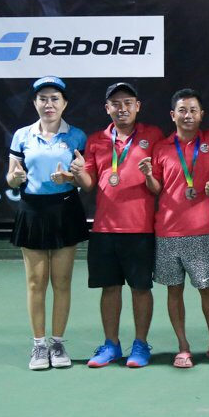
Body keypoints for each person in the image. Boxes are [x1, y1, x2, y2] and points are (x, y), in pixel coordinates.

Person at [72, 82, 163, 368]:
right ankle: (111, 345)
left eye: (127, 103)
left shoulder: (153, 135)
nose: (122, 108)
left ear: (138, 106)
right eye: (115, 103)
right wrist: (77, 173)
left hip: (140, 230)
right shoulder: (96, 140)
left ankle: (141, 345)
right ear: (107, 108)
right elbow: (88, 184)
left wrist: (149, 175)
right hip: (104, 230)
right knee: (109, 289)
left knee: (140, 289)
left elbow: (157, 187)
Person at [141, 89, 209, 368]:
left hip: (200, 230)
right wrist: (148, 176)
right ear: (173, 115)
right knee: (174, 290)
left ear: (202, 114)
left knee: (206, 288)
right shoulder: (161, 147)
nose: (188, 115)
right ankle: (183, 347)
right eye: (182, 110)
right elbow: (157, 188)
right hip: (168, 232)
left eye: (193, 110)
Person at [8, 76, 88, 370]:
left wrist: (71, 176)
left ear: (64, 104)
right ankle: (39, 346)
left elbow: (83, 178)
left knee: (62, 281)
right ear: (35, 103)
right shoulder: (22, 136)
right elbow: (11, 177)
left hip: (65, 210)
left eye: (55, 98)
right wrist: (15, 178)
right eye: (43, 99)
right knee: (35, 282)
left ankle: (58, 343)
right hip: (32, 211)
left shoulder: (77, 136)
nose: (49, 104)